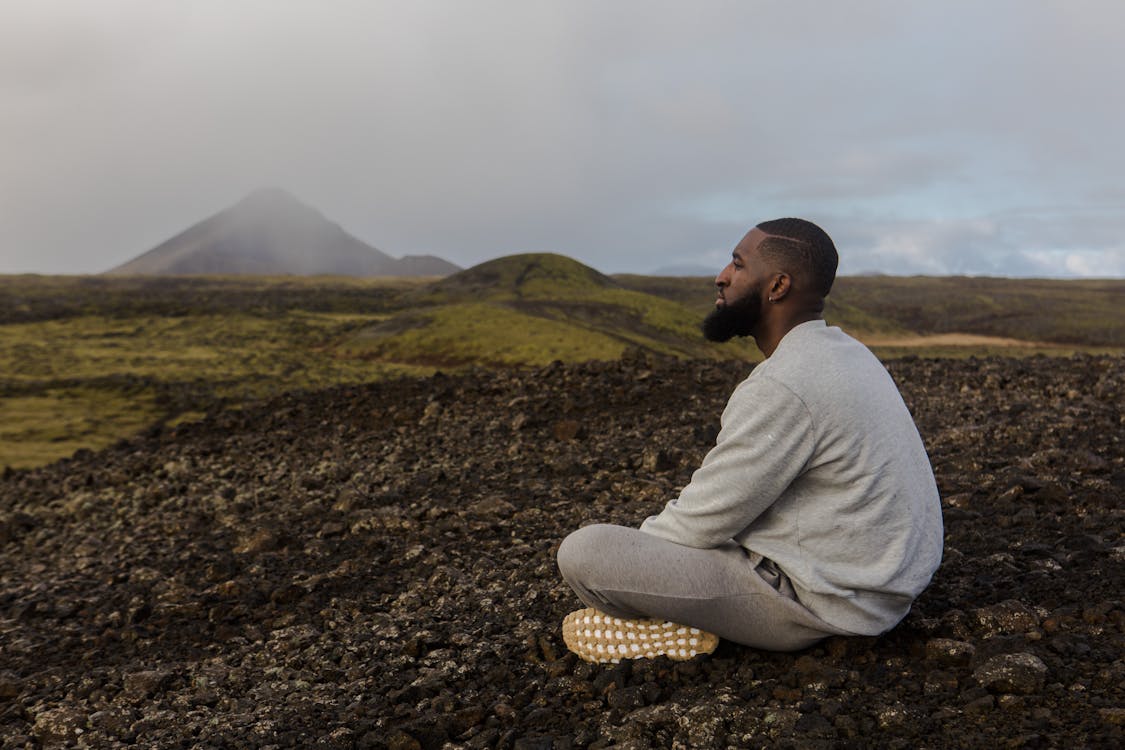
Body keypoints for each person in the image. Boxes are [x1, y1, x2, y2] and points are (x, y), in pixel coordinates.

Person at [556, 218, 943, 663]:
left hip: (822, 604)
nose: (721, 276)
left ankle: (670, 628)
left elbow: (698, 524)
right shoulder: (848, 353)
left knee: (585, 553)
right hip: (883, 588)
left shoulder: (784, 384)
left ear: (777, 285)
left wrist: (639, 565)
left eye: (738, 265)